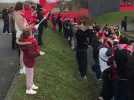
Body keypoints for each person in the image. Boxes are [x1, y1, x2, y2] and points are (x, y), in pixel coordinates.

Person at [14, 2, 33, 74]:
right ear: (20, 7)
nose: (24, 8)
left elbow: (23, 26)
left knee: (24, 53)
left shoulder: (19, 14)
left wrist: (28, 26)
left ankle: (23, 67)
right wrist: (30, 27)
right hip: (22, 35)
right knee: (22, 53)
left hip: (23, 35)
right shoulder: (18, 15)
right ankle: (22, 69)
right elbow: (22, 28)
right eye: (23, 7)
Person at [19, 30, 40, 95]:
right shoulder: (29, 43)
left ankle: (31, 84)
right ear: (28, 35)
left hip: (28, 60)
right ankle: (28, 89)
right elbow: (32, 53)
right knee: (29, 75)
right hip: (29, 61)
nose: (32, 35)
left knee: (31, 73)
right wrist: (38, 53)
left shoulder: (25, 41)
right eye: (31, 34)